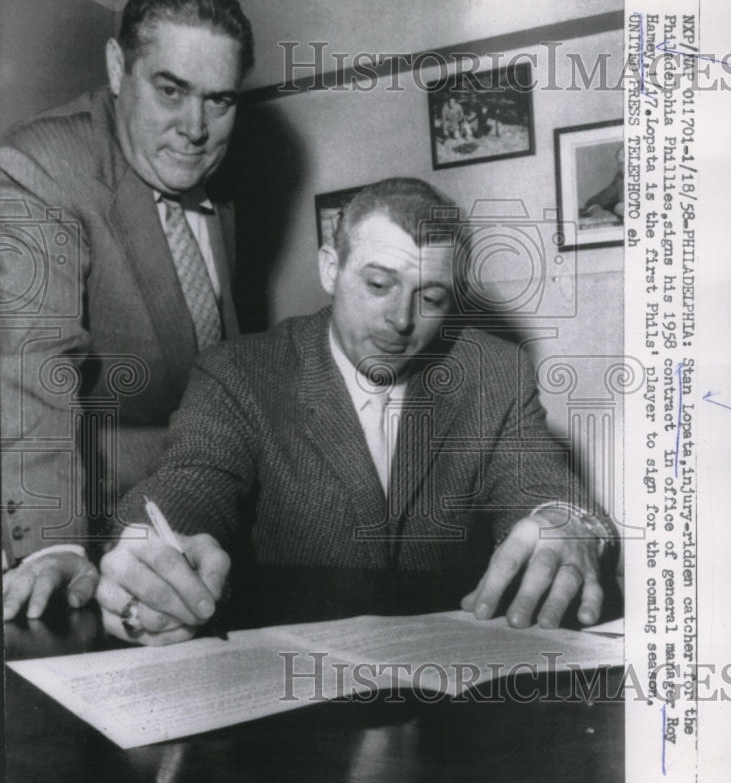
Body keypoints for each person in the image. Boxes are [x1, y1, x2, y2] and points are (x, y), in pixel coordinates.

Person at [96, 177, 614, 646]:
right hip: (294, 689)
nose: (401, 320)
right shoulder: (239, 372)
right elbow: (191, 482)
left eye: (430, 296)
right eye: (378, 284)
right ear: (330, 268)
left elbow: (541, 483)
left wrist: (565, 522)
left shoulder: (494, 372)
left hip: (444, 692)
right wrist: (155, 554)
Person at [1, 0, 254, 621]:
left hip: (185, 520)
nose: (195, 128)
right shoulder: (43, 166)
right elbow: (33, 361)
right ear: (119, 67)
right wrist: (52, 545)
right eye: (171, 90)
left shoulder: (220, 189)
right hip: (78, 530)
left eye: (219, 101)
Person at [583, 144, 624, 219]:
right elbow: (595, 201)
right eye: (621, 164)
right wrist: (597, 209)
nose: (624, 169)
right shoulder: (620, 179)